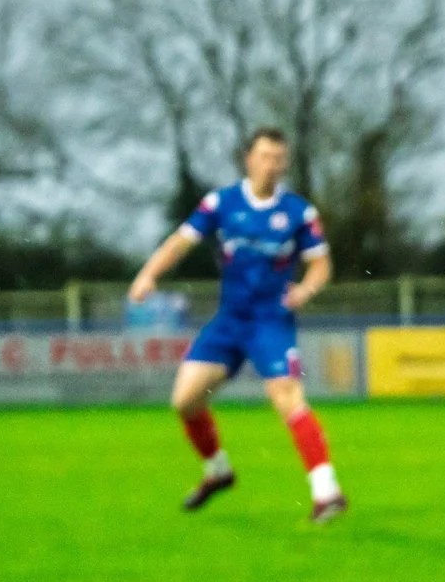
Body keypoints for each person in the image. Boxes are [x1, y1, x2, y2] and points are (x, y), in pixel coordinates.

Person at [127, 127, 347, 525]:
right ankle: (218, 471)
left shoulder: (299, 213)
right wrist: (148, 275)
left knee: (288, 396)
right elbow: (181, 241)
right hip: (229, 321)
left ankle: (326, 491)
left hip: (270, 322)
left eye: (279, 159)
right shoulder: (222, 203)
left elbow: (321, 263)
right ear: (248, 159)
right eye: (265, 156)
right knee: (185, 401)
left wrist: (306, 290)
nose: (272, 166)